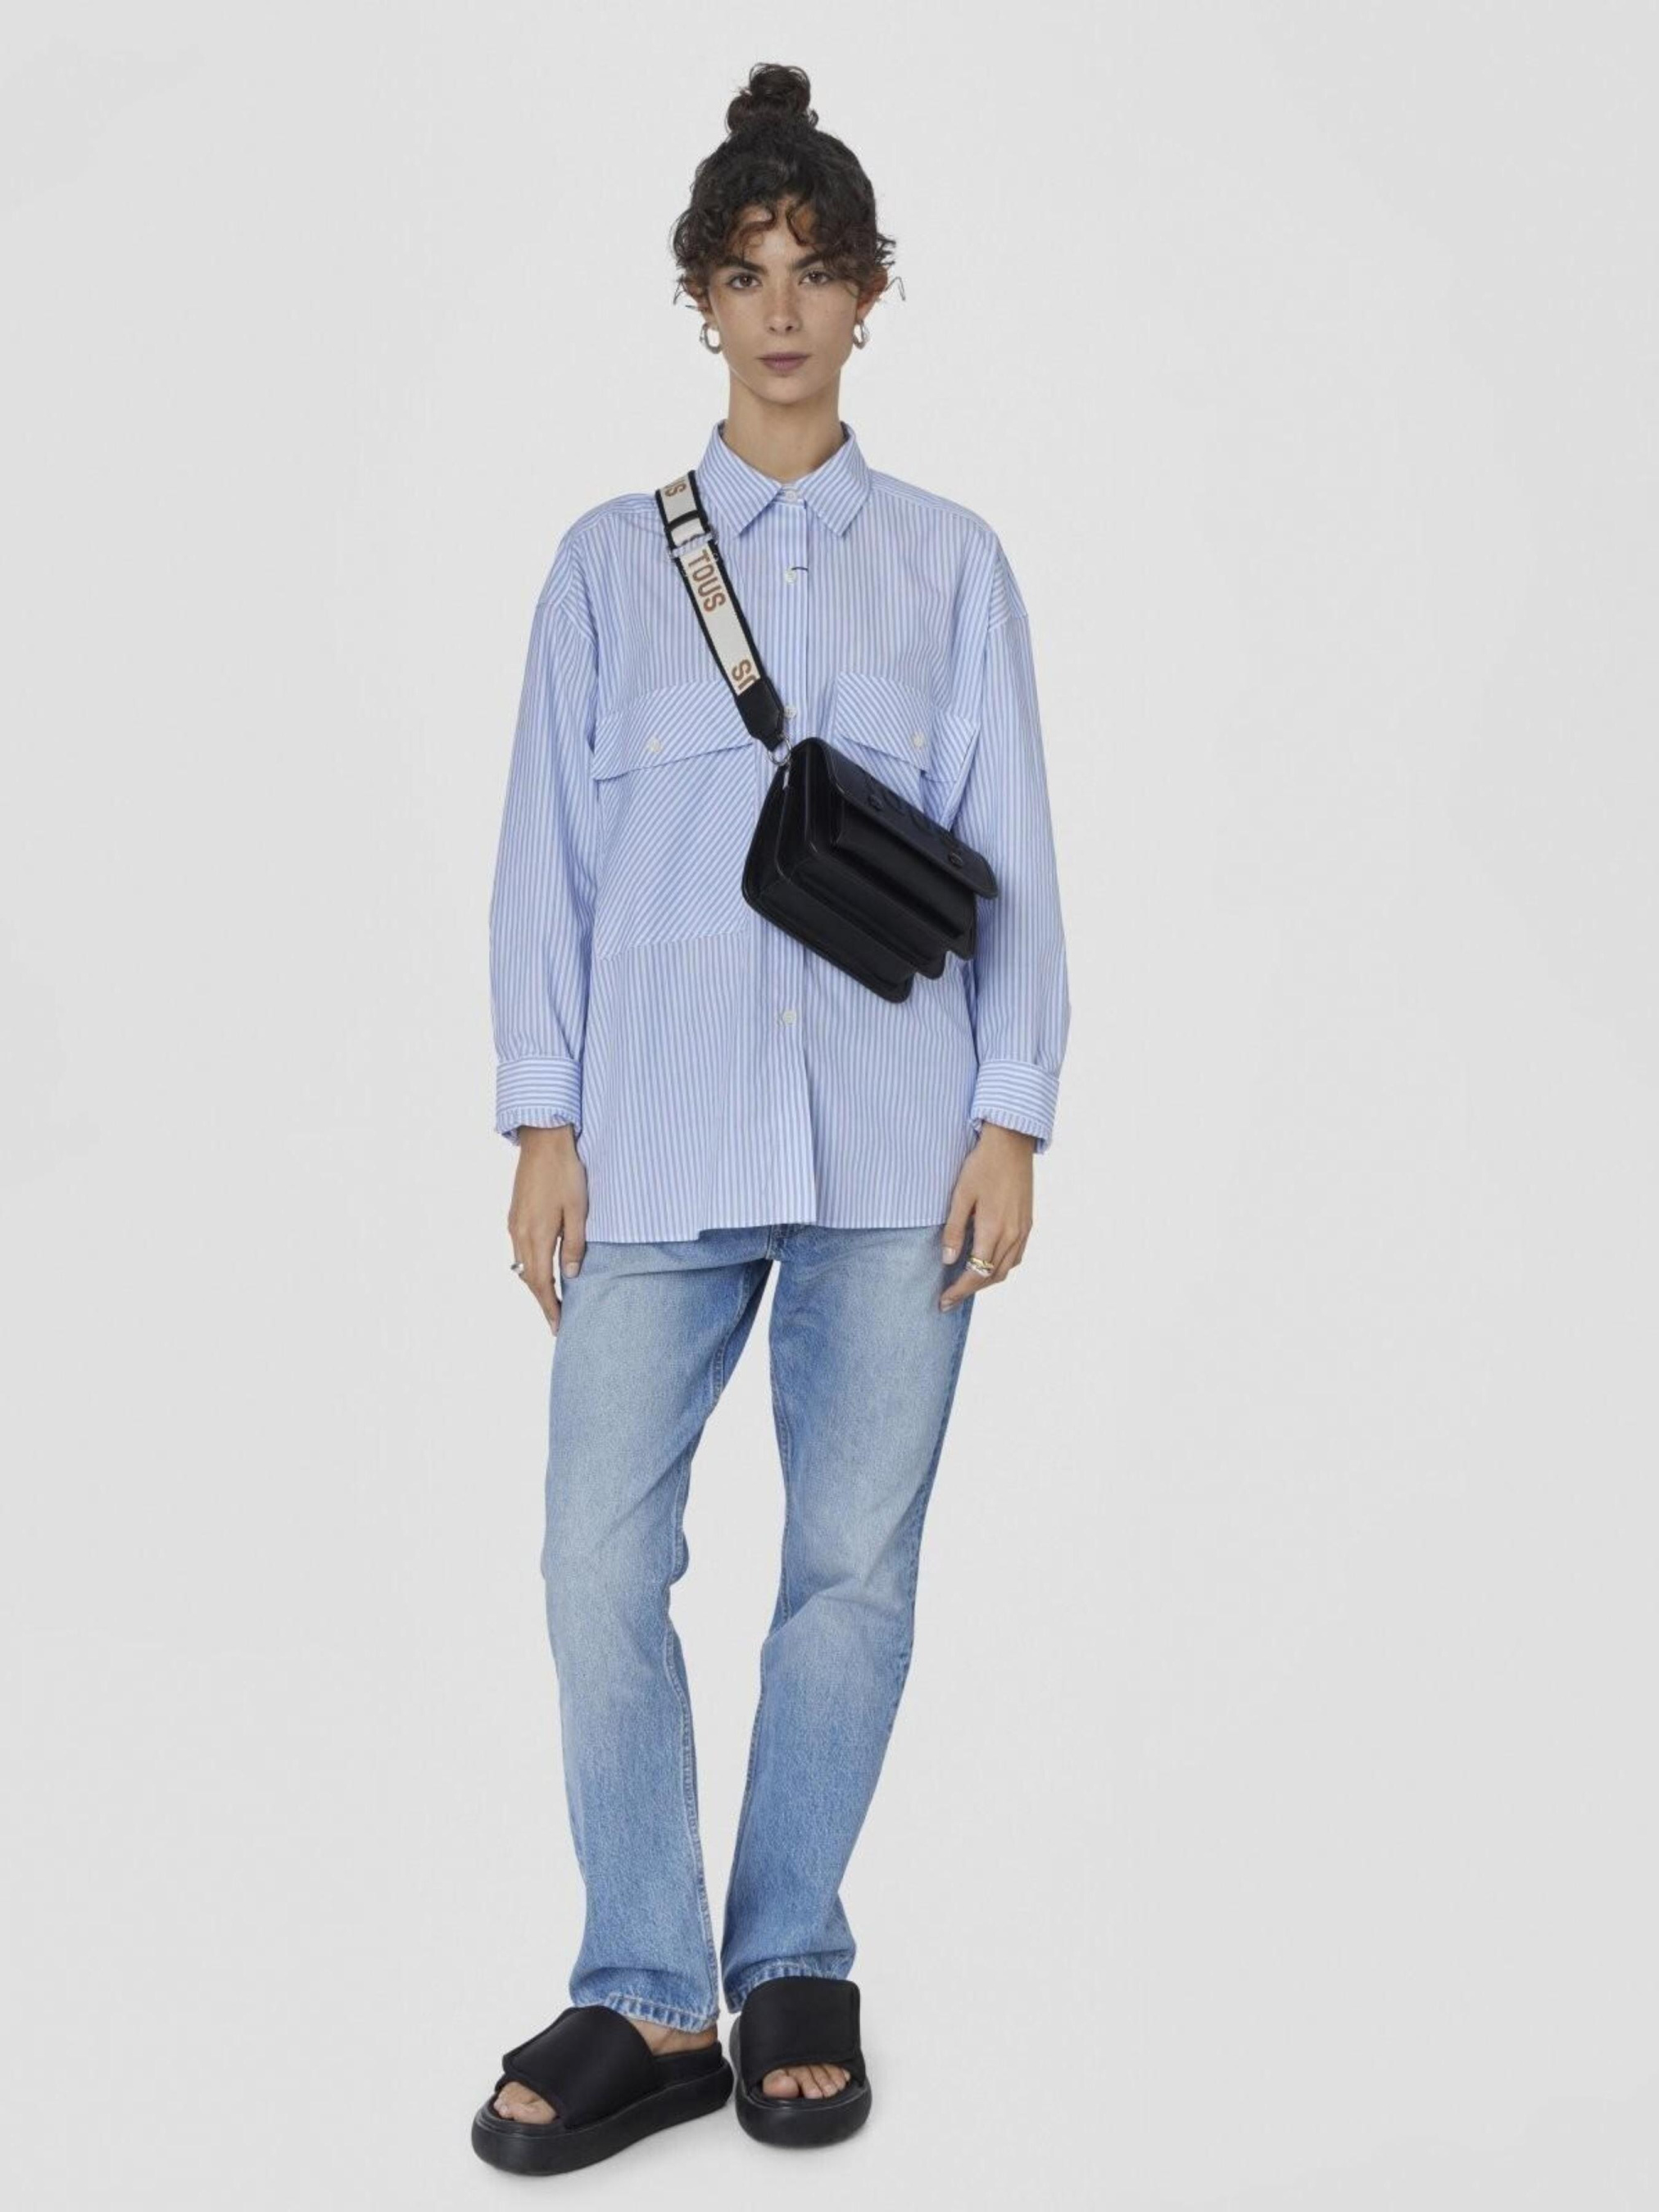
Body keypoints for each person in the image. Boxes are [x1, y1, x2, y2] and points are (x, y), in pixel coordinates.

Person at [471, 62, 1070, 2175]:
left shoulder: (952, 567)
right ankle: (649, 1986)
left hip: (898, 1152)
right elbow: (544, 856)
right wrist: (540, 1118)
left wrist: (1011, 1116)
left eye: (818, 270)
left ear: (872, 293)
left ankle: (791, 1952)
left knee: (852, 1573)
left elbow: (1013, 848)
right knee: (594, 1560)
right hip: (649, 1146)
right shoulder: (604, 570)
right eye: (747, 274)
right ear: (702, 302)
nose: (785, 309)